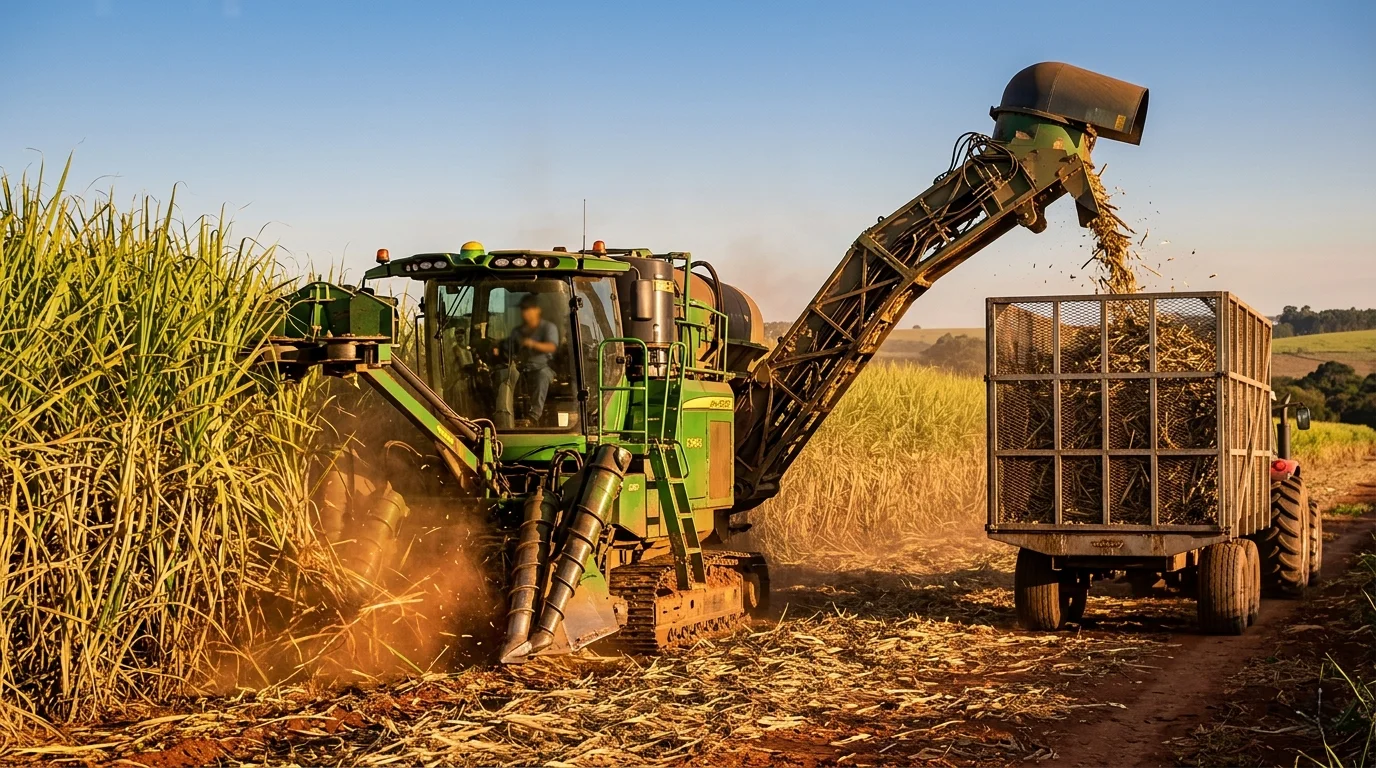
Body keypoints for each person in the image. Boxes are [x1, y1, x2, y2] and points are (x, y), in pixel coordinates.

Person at [493, 293, 559, 426]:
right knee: (501, 375)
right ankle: (500, 416)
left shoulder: (548, 328)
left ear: (537, 310)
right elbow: (508, 346)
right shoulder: (518, 331)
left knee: (543, 376)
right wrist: (497, 348)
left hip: (543, 368)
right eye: (523, 309)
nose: (525, 313)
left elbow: (552, 346)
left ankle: (533, 416)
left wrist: (533, 344)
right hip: (521, 370)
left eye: (528, 309)